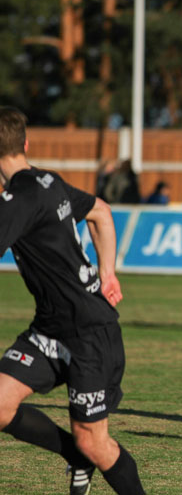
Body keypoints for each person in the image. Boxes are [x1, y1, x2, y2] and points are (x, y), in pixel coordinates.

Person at [0, 107, 146, 494]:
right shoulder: (48, 181)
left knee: (94, 442)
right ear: (26, 144)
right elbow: (101, 212)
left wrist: (107, 274)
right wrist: (108, 271)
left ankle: (85, 455)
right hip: (50, 327)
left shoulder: (17, 200)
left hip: (87, 333)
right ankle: (74, 456)